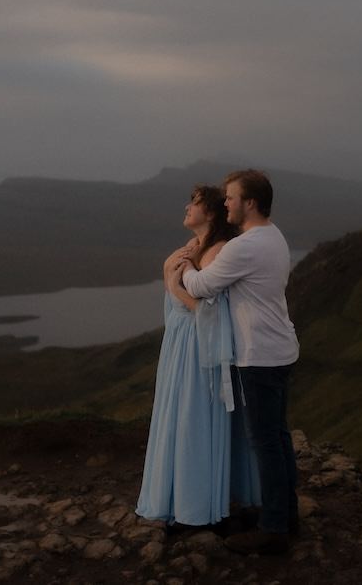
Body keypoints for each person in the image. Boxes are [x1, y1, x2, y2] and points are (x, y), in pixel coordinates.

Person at [178, 169, 299, 556]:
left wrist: (185, 265)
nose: (224, 203)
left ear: (249, 202)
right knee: (278, 438)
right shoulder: (274, 236)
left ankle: (274, 529)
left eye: (230, 198)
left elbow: (200, 286)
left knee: (265, 441)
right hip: (281, 349)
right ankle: (285, 513)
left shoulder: (244, 246)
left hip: (259, 354)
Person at [136, 185, 260, 531]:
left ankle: (196, 505)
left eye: (195, 203)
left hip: (197, 349)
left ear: (212, 212)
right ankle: (181, 500)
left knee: (194, 419)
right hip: (182, 343)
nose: (188, 207)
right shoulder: (196, 247)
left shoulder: (218, 251)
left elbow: (213, 314)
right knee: (179, 416)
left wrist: (175, 287)